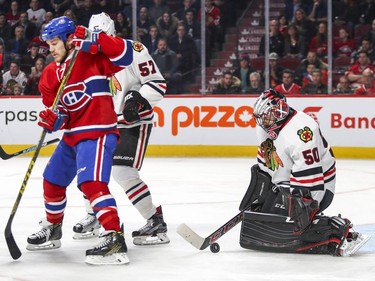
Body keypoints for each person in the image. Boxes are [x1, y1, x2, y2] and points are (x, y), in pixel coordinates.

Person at [26, 15, 135, 265]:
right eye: (48, 45)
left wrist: (91, 38)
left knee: (92, 184)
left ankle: (114, 238)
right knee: (52, 180)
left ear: (68, 40)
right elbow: (62, 112)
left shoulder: (92, 57)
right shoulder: (50, 74)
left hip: (97, 133)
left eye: (54, 43)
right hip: (73, 136)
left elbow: (125, 54)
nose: (50, 49)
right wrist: (54, 120)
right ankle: (53, 228)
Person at [72, 12, 170, 246]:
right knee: (88, 168)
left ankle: (155, 220)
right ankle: (95, 214)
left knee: (122, 172)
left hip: (133, 122)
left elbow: (158, 83)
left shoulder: (133, 50)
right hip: (104, 123)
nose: (99, 42)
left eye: (102, 36)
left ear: (112, 34)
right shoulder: (88, 57)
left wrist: (136, 99)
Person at [239, 88, 370, 256]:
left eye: (266, 115)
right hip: (287, 183)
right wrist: (263, 193)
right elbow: (267, 160)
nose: (262, 121)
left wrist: (305, 207)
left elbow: (312, 177)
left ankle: (336, 230)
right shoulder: (265, 127)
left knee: (293, 224)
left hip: (319, 184)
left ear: (280, 110)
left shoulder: (302, 131)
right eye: (260, 117)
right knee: (266, 223)